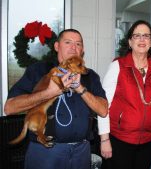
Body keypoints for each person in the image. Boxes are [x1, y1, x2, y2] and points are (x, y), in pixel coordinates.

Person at [4, 29, 108, 169]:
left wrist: (80, 89)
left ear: (82, 50)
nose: (74, 47)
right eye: (68, 42)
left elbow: (103, 111)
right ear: (57, 46)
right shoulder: (38, 70)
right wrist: (49, 92)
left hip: (82, 151)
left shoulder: (90, 76)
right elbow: (9, 108)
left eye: (78, 44)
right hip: (45, 151)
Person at [98, 20, 151, 169]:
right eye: (137, 36)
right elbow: (103, 105)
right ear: (130, 42)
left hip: (148, 142)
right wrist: (104, 139)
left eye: (146, 36)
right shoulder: (117, 66)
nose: (142, 39)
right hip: (119, 140)